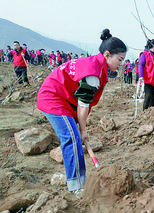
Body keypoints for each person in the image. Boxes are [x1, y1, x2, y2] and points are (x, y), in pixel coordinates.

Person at [37, 29, 127, 195]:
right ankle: (78, 187)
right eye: (119, 59)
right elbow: (84, 105)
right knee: (72, 138)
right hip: (53, 98)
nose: (121, 63)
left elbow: (83, 104)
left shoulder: (98, 65)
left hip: (66, 100)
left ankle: (78, 181)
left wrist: (81, 126)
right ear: (107, 54)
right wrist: (83, 130)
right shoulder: (93, 72)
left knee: (74, 135)